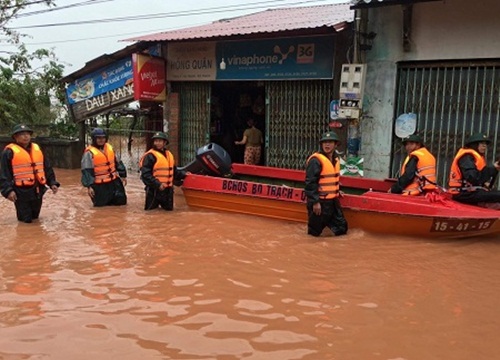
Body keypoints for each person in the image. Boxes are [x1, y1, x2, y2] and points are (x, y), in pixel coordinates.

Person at [0, 124, 59, 223]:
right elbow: (4, 173)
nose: (26, 136)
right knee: (25, 221)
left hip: (38, 190)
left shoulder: (37, 148)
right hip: (21, 192)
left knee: (35, 218)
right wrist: (8, 191)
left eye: (27, 134)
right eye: (22, 134)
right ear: (15, 137)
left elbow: (46, 167)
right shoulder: (9, 152)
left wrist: (52, 182)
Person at [305, 130, 348, 237]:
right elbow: (310, 183)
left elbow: (332, 179)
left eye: (330, 142)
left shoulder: (335, 159)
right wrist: (315, 202)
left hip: (332, 202)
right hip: (320, 203)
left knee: (342, 228)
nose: (327, 144)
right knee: (314, 234)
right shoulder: (316, 160)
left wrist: (337, 190)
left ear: (335, 144)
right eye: (325, 142)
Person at [448, 133, 500, 208]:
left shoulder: (474, 157)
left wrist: (485, 183)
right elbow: (473, 178)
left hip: (470, 191)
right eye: (481, 143)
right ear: (474, 144)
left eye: (485, 144)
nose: (484, 146)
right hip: (462, 193)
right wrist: (492, 169)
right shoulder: (466, 157)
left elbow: (479, 176)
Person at [139, 131, 187, 211]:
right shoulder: (150, 156)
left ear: (164, 142)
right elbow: (145, 175)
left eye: (160, 141)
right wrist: (158, 184)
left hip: (168, 191)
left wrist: (184, 174)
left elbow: (173, 171)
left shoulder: (169, 155)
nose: (157, 143)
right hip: (154, 190)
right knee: (150, 213)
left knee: (168, 213)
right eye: (156, 141)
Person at [81, 128, 127, 207]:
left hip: (114, 182)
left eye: (103, 138)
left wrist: (123, 175)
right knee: (101, 207)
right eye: (98, 138)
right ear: (94, 139)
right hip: (99, 186)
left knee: (121, 203)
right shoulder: (89, 153)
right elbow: (86, 171)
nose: (101, 140)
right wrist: (89, 187)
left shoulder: (110, 148)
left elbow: (118, 162)